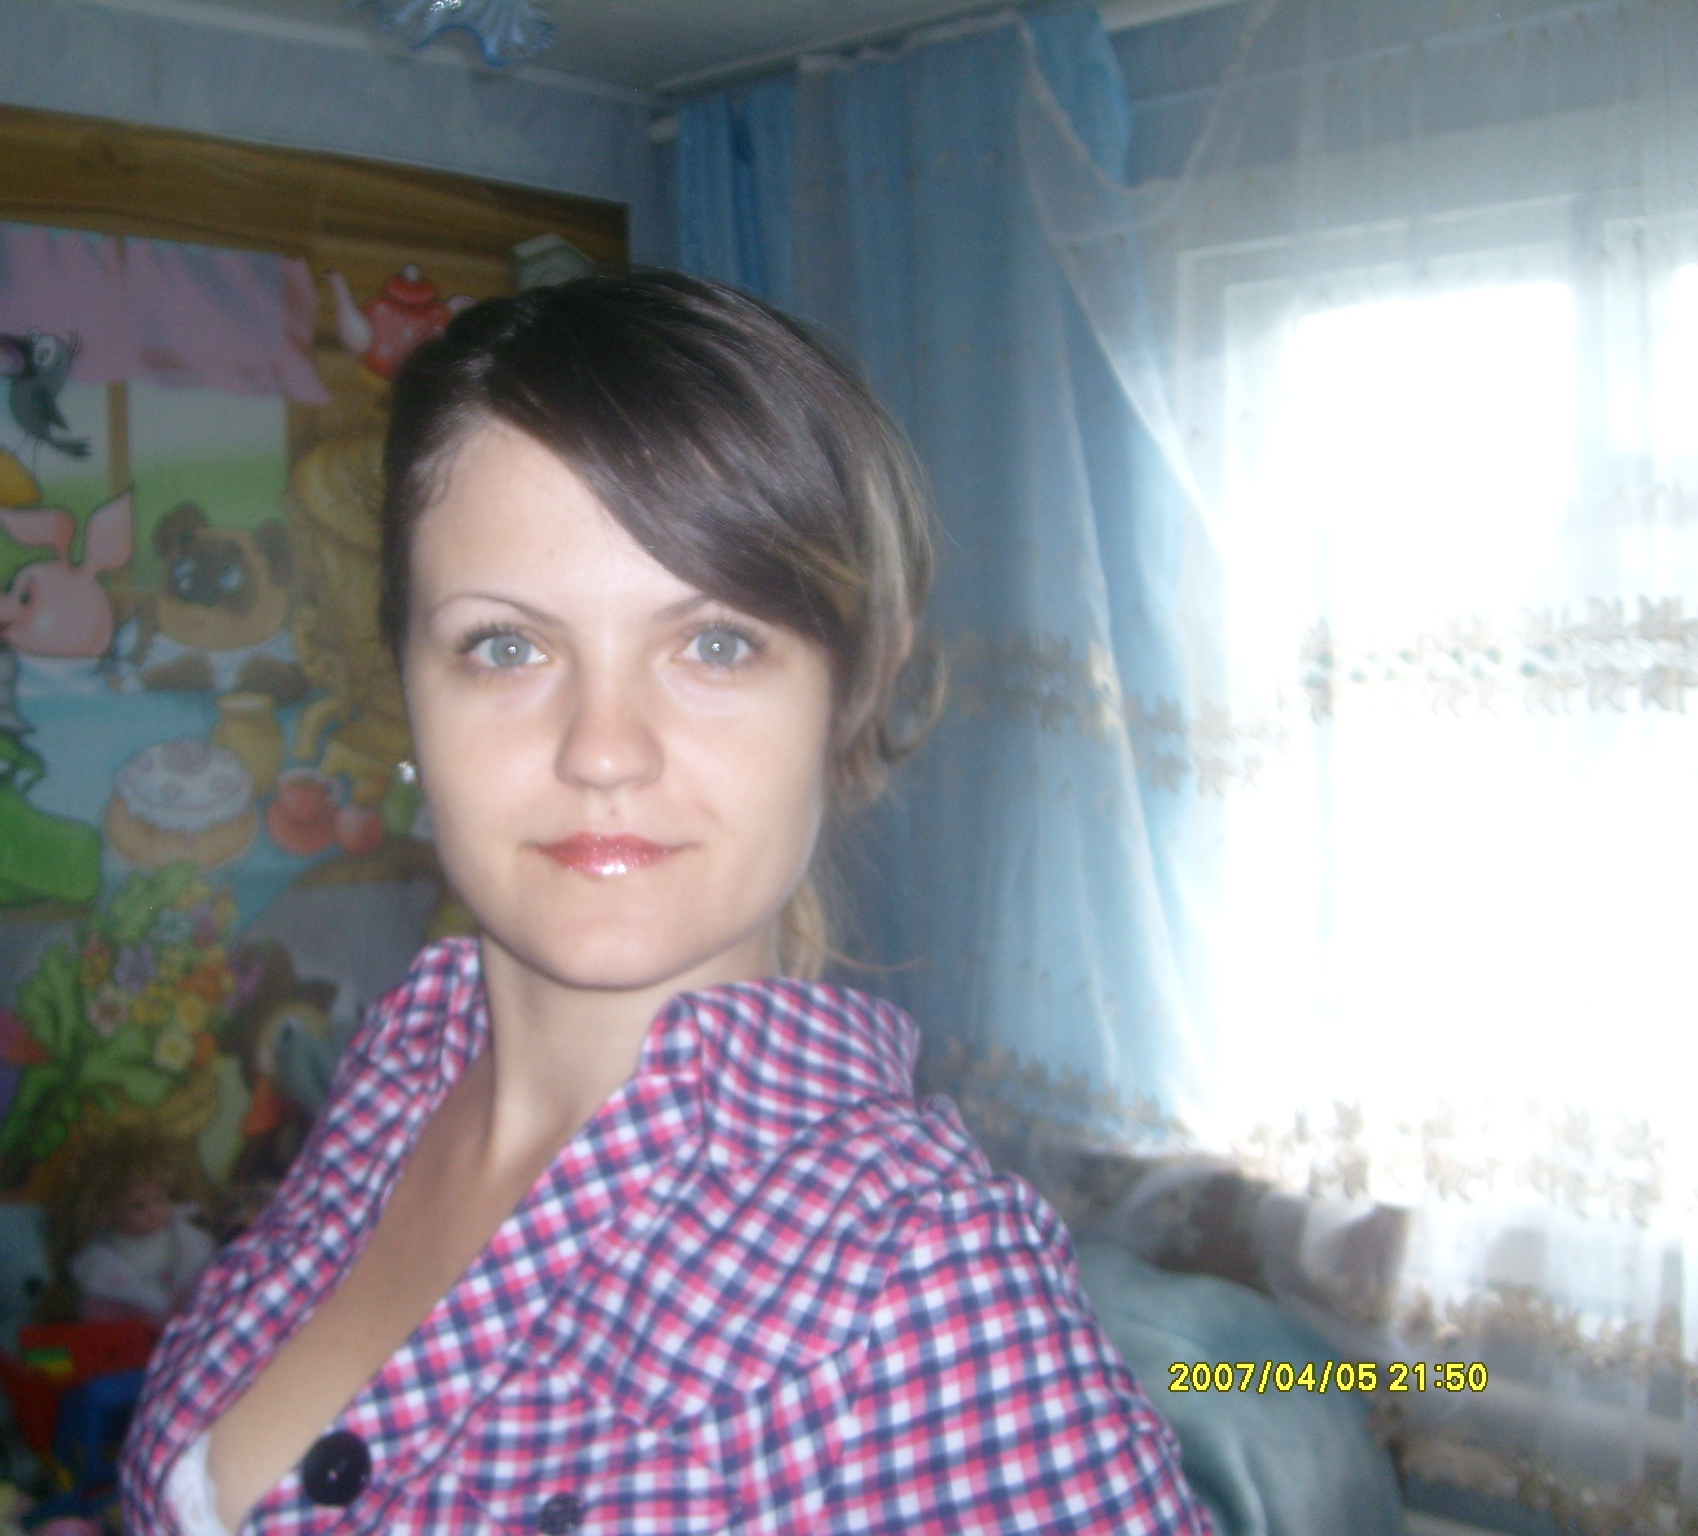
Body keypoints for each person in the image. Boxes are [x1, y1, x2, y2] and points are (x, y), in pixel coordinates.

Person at [120, 270, 1213, 1534]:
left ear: (850, 691)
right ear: (407, 685)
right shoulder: (396, 1076)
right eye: (505, 646)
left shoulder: (914, 1280)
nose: (601, 749)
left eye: (714, 643)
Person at [56, 1129, 217, 1325]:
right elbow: (98, 1307)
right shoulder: (102, 1257)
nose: (153, 1212)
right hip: (135, 1325)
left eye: (160, 1199)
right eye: (138, 1206)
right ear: (109, 1211)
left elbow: (201, 1270)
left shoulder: (184, 1235)